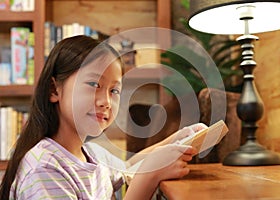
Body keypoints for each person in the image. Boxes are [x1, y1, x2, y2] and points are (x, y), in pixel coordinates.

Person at [0, 35, 206, 199]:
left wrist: (178, 138)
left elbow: (128, 167)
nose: (106, 101)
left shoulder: (90, 152)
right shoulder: (44, 170)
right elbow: (140, 172)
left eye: (114, 91)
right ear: (54, 90)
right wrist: (148, 178)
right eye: (93, 85)